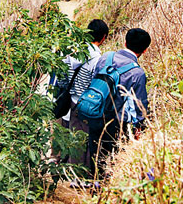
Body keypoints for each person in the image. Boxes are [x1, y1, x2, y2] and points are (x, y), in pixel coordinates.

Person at [88, 28, 151, 178]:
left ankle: (94, 187)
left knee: (96, 155)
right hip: (117, 122)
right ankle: (107, 191)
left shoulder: (105, 57)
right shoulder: (137, 73)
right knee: (112, 159)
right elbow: (140, 105)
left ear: (125, 42)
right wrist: (140, 128)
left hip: (95, 112)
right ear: (145, 50)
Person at [64, 19, 109, 168]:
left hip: (72, 100)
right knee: (82, 141)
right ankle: (76, 176)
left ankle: (70, 170)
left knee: (73, 137)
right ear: (103, 37)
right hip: (84, 104)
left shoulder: (75, 52)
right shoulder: (97, 59)